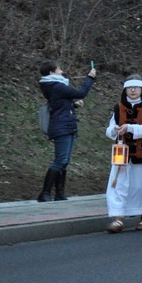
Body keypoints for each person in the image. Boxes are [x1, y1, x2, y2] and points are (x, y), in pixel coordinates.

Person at [104, 75, 142, 233]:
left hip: (140, 154)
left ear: (141, 90)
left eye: (136, 88)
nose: (133, 90)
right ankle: (118, 218)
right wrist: (114, 130)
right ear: (125, 90)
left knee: (141, 187)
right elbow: (109, 129)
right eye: (130, 88)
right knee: (118, 185)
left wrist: (130, 127)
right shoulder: (118, 108)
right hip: (121, 155)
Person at [37, 60, 97, 202]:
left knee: (64, 161)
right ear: (52, 73)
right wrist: (90, 78)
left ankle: (59, 194)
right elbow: (81, 92)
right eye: (59, 69)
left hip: (65, 125)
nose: (62, 71)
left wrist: (73, 105)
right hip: (61, 127)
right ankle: (45, 194)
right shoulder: (57, 86)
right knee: (61, 160)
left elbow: (59, 106)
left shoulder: (53, 86)